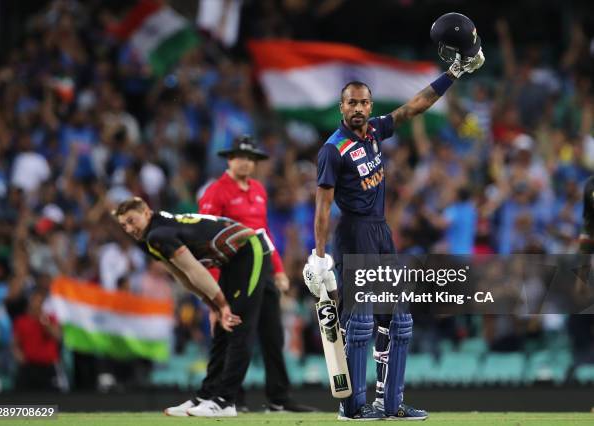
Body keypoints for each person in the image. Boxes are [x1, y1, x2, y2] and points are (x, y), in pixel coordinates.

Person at [303, 13, 485, 420]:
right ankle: (352, 407)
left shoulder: (374, 131)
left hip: (381, 232)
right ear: (341, 106)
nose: (359, 109)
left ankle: (392, 403)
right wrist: (318, 256)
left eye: (364, 102)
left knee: (399, 322)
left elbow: (413, 108)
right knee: (362, 325)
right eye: (352, 102)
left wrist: (453, 72)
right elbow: (321, 206)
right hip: (353, 235)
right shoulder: (332, 149)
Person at [113, 197, 272, 417]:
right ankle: (206, 396)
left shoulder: (158, 234)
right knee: (221, 329)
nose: (129, 229)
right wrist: (213, 306)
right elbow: (182, 276)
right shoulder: (149, 238)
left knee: (237, 325)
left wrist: (223, 305)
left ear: (147, 213)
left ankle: (225, 401)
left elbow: (195, 270)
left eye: (132, 220)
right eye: (124, 225)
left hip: (250, 249)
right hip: (231, 260)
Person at [198, 135, 314, 412]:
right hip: (233, 273)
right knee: (237, 334)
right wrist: (213, 288)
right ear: (230, 159)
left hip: (261, 270)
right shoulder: (215, 192)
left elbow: (263, 234)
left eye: (251, 158)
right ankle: (230, 397)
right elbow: (206, 240)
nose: (247, 163)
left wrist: (277, 269)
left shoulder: (259, 190)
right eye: (241, 157)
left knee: (273, 334)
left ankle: (279, 397)